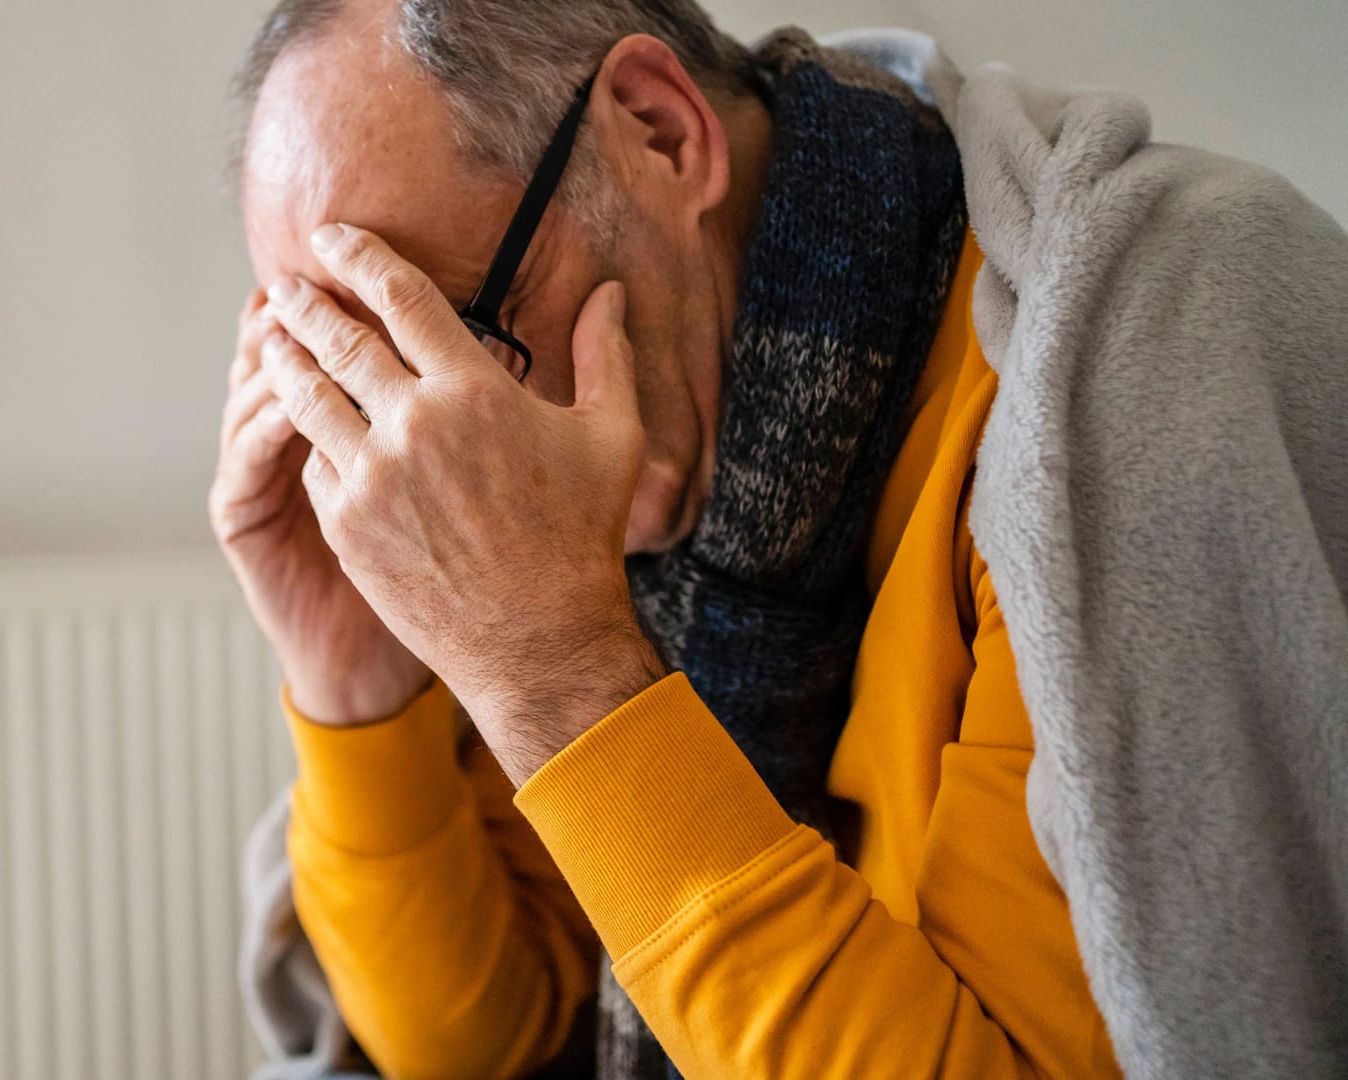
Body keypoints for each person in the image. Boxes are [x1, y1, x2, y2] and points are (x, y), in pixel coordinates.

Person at [208, 1, 1348, 1078]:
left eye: (445, 331)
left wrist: (562, 680)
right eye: (349, 380)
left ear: (659, 134)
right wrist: (354, 679)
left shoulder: (1112, 381)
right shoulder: (601, 469)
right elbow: (492, 1043)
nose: (419, 439)